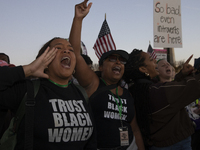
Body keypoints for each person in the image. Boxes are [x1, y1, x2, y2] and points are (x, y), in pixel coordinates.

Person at [0, 2, 96, 150]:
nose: (67, 51)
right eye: (58, 48)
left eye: (70, 49)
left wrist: (78, 19)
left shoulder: (81, 93)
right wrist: (29, 70)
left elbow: (90, 142)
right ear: (44, 58)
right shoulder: (28, 91)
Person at [69, 0, 145, 149]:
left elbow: (134, 129)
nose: (118, 63)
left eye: (122, 61)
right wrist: (78, 19)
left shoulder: (128, 94)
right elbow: (76, 55)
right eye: (112, 59)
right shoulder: (93, 83)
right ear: (101, 66)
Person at [123, 49, 200, 150]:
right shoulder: (155, 92)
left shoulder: (140, 90)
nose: (155, 61)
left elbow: (169, 93)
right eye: (151, 60)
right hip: (176, 145)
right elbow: (191, 87)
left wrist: (181, 75)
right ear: (143, 69)